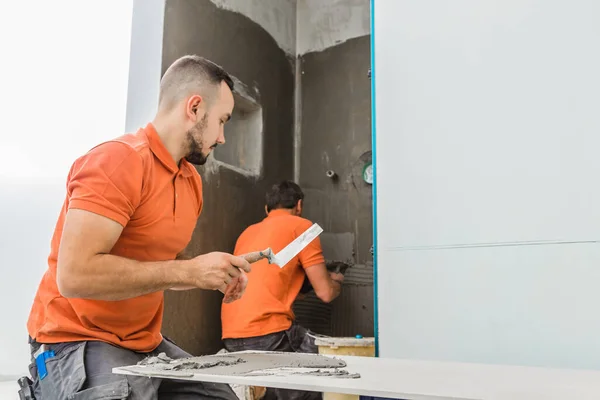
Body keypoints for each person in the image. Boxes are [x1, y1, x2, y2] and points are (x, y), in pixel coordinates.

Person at [23, 55, 250, 399]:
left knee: (222, 396)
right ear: (194, 107)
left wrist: (214, 274)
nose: (222, 137)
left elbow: (163, 265)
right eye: (221, 121)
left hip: (144, 343)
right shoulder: (118, 161)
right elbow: (73, 276)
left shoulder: (190, 183)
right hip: (73, 339)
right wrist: (188, 272)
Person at [221, 181, 345, 400]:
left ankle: (264, 391)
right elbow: (325, 293)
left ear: (267, 209)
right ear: (299, 206)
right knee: (330, 362)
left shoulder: (247, 233)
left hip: (231, 335)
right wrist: (336, 281)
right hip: (268, 334)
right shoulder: (303, 228)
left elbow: (270, 284)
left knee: (279, 382)